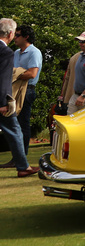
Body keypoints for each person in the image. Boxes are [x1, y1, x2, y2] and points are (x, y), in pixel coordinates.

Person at [0, 18, 38, 177]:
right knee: (15, 131)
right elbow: (3, 79)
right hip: (1, 101)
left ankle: (23, 165)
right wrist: (4, 102)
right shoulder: (6, 52)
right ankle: (23, 167)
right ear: (10, 33)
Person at [12, 24, 42, 154]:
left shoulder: (34, 52)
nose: (14, 38)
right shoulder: (16, 53)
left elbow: (32, 74)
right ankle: (17, 156)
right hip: (15, 90)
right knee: (14, 124)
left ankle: (22, 156)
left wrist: (15, 74)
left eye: (17, 35)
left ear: (26, 37)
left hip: (27, 90)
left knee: (23, 124)